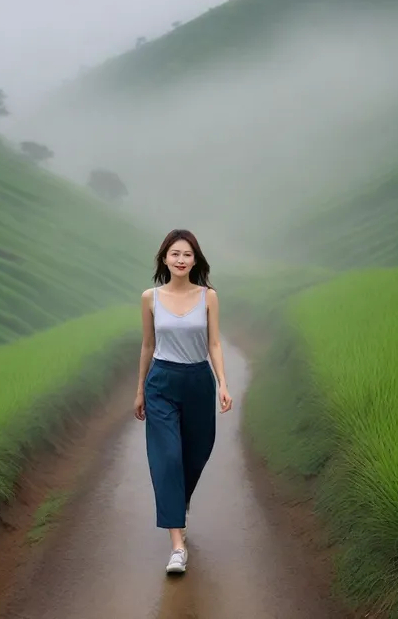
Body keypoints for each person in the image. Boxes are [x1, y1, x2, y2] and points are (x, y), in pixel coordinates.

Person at [134, 228, 232, 575]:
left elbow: (214, 344)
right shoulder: (150, 298)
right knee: (168, 457)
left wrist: (222, 383)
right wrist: (140, 390)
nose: (180, 260)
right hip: (161, 381)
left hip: (198, 381)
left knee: (198, 451)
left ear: (195, 260)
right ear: (164, 258)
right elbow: (147, 345)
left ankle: (181, 500)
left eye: (187, 254)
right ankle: (177, 546)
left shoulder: (208, 297)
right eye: (174, 254)